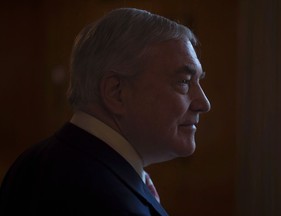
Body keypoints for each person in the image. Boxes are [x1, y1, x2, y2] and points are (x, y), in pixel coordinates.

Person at [0, 7, 210, 215]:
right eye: (183, 82)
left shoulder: (33, 163)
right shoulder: (107, 200)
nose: (204, 103)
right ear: (116, 92)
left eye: (198, 82)